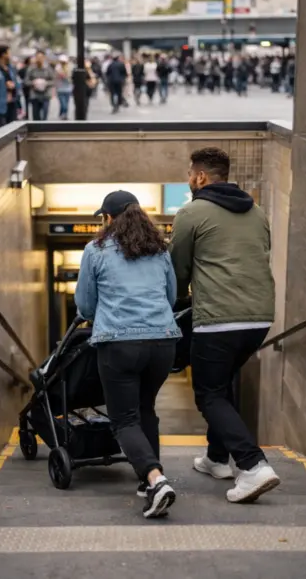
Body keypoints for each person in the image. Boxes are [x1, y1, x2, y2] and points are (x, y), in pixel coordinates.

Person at [169, 147, 280, 503]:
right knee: (223, 384)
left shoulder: (191, 212)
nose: (189, 180)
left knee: (209, 394)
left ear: (201, 177)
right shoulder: (257, 211)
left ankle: (252, 466)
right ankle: (218, 459)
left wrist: (177, 302)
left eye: (190, 174)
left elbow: (177, 271)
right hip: (260, 318)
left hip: (219, 319)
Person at [74, 190, 181, 519]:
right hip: (163, 342)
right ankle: (147, 482)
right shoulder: (159, 250)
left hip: (119, 343)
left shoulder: (96, 250)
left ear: (107, 218)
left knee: (123, 419)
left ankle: (155, 478)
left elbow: (86, 306)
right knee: (145, 408)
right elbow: (172, 296)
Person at [25, 50, 54, 121]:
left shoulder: (48, 68)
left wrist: (45, 83)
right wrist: (33, 83)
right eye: (38, 57)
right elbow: (26, 81)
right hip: (35, 95)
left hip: (45, 95)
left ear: (44, 58)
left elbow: (53, 81)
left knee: (44, 116)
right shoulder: (31, 68)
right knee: (36, 116)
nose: (39, 59)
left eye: (41, 57)